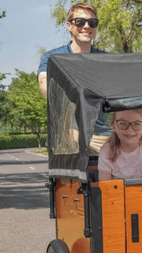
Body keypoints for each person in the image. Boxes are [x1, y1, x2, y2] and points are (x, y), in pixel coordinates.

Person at [37, 2, 110, 152]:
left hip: (101, 134)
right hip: (66, 134)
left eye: (92, 22)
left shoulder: (106, 60)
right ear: (69, 25)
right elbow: (45, 87)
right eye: (80, 22)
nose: (86, 26)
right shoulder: (53, 58)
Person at [98, 109, 142, 181]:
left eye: (136, 124)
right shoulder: (107, 151)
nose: (130, 130)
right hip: (119, 192)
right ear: (114, 126)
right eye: (123, 124)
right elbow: (105, 187)